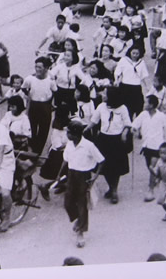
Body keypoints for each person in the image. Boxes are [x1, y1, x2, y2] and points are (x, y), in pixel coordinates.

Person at [59, 119, 104, 248]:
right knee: (68, 203)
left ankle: (81, 232)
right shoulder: (69, 144)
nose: (67, 135)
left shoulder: (89, 145)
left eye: (69, 133)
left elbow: (101, 161)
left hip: (84, 177)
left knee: (82, 204)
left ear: (76, 134)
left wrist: (94, 177)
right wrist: (59, 175)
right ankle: (78, 219)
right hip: (71, 175)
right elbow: (65, 161)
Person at [85, 87, 132, 204]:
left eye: (105, 94)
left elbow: (127, 124)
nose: (102, 95)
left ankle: (114, 191)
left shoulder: (123, 108)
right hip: (104, 139)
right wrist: (84, 130)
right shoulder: (101, 107)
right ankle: (111, 187)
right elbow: (94, 121)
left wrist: (125, 133)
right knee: (104, 166)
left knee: (115, 168)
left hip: (116, 141)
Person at [132, 95, 166, 202]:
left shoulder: (161, 116)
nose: (144, 104)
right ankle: (159, 176)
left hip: (157, 146)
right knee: (149, 166)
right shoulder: (143, 115)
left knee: (152, 167)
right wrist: (134, 130)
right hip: (146, 145)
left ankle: (150, 190)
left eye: (146, 103)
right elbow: (134, 125)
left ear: (151, 105)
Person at [22, 56, 57, 154]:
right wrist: (29, 95)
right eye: (36, 67)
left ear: (46, 68)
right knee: (31, 129)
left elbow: (55, 91)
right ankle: (31, 151)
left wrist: (50, 102)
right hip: (33, 106)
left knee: (43, 130)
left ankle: (38, 152)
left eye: (40, 67)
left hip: (45, 107)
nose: (37, 69)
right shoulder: (29, 79)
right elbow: (24, 88)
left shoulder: (50, 81)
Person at [114, 46, 149, 118]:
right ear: (130, 52)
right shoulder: (124, 60)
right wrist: (116, 80)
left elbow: (144, 76)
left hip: (136, 88)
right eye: (133, 53)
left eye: (137, 53)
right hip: (125, 87)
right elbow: (117, 72)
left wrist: (146, 87)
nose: (135, 55)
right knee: (127, 109)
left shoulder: (141, 62)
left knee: (138, 107)